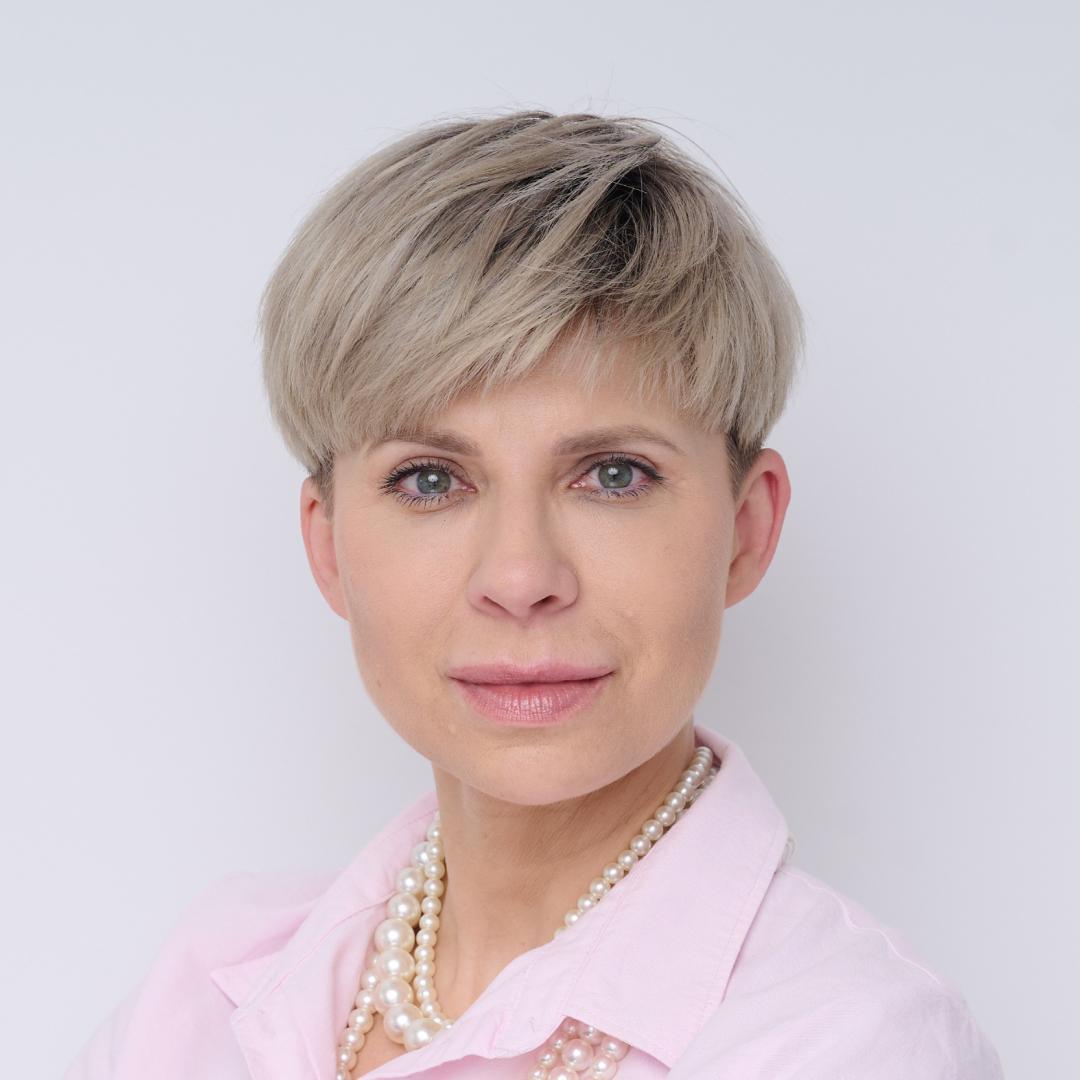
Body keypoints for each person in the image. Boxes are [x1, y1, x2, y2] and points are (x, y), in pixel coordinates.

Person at [63, 110, 1004, 1079]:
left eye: (613, 476)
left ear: (748, 529)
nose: (519, 580)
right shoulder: (210, 992)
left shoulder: (850, 1043)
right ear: (328, 545)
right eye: (430, 480)